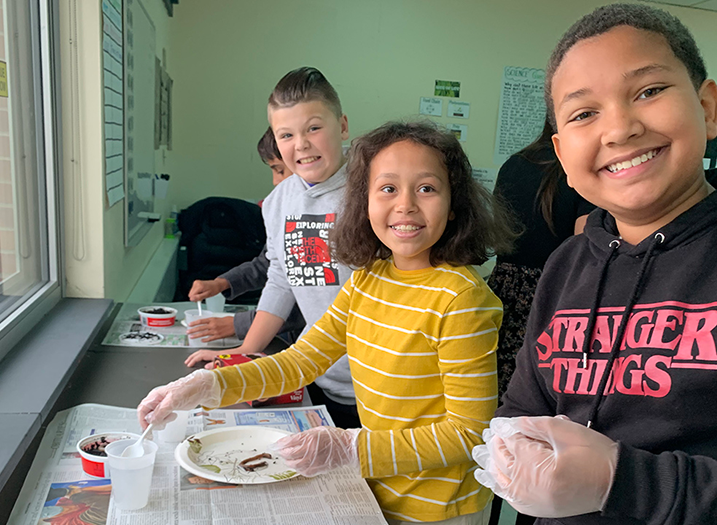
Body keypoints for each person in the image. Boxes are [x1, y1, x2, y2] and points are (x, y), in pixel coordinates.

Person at [473, 4, 717, 524]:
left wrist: (621, 481)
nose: (618, 129)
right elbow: (521, 414)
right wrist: (511, 457)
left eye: (648, 91)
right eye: (583, 113)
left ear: (708, 108)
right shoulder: (569, 263)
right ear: (562, 153)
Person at [138, 121, 518, 524]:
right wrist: (206, 386)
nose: (405, 204)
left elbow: (468, 433)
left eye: (426, 188)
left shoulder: (462, 299)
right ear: (365, 200)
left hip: (438, 510)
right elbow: (300, 361)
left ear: (454, 203)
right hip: (373, 490)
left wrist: (350, 448)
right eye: (388, 188)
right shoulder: (368, 278)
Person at [185, 67, 359, 428]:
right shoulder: (280, 201)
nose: (301, 144)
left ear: (342, 126)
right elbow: (280, 279)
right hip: (318, 375)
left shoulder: (371, 193)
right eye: (286, 134)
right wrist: (244, 354)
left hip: (383, 386)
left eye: (314, 128)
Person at [488, 119, 596, 525]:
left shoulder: (514, 163)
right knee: (543, 429)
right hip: (555, 299)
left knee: (506, 423)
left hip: (503, 293)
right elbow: (587, 251)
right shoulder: (576, 171)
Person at [186, 127, 306, 346]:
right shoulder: (284, 209)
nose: (275, 181)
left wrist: (239, 325)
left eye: (279, 170)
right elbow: (268, 264)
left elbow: (316, 304)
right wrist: (221, 283)